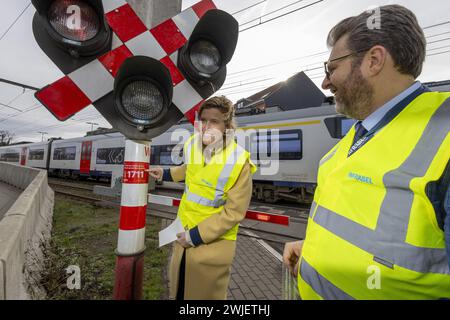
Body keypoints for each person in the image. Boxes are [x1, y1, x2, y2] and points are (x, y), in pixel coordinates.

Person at [283, 4, 450, 300]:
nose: (325, 82)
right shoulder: (357, 135)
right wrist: (315, 249)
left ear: (373, 60)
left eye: (331, 68)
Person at [149, 96, 257, 300]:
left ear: (227, 125)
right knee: (179, 292)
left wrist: (195, 236)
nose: (207, 126)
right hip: (183, 233)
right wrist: (164, 173)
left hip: (212, 244)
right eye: (203, 120)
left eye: (214, 121)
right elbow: (190, 170)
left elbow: (234, 212)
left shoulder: (239, 160)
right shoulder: (192, 144)